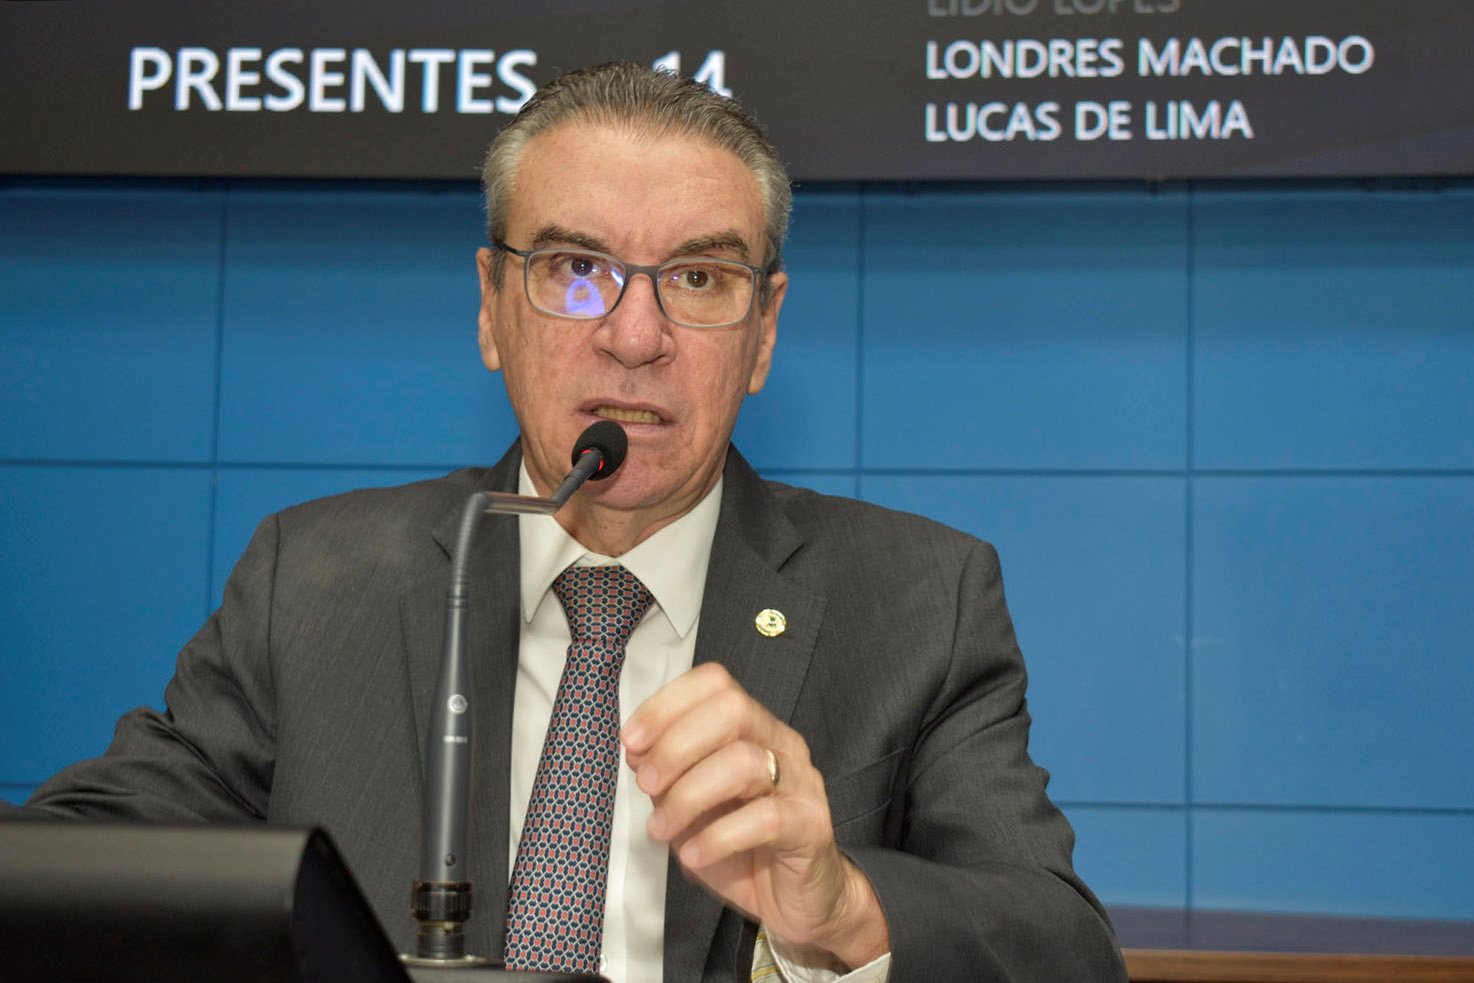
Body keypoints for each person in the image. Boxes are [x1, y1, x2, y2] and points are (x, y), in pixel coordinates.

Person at [11, 63, 1128, 982]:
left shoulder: (920, 599)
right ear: (492, 307)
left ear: (763, 332)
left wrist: (840, 905)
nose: (635, 336)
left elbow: (1063, 947)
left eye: (699, 277)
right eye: (576, 268)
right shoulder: (315, 578)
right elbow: (86, 852)